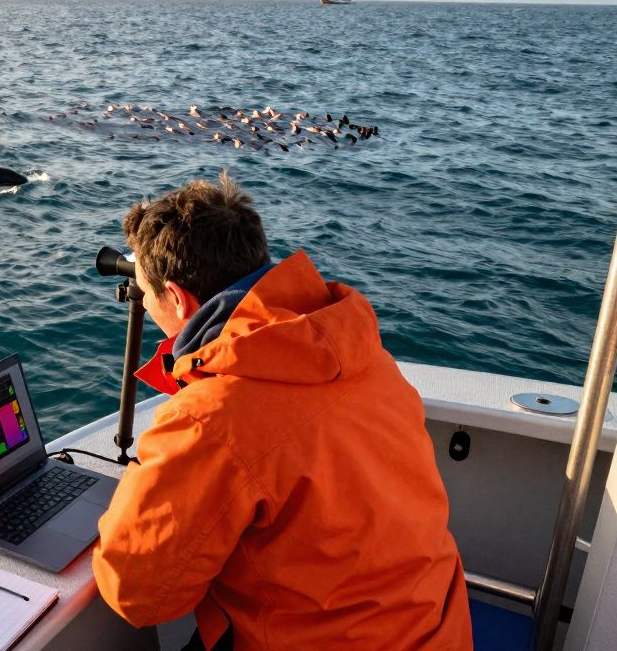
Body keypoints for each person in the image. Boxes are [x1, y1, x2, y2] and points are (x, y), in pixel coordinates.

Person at [91, 173, 472, 650]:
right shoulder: (365, 358)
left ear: (179, 298)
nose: (142, 302)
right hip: (437, 631)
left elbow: (137, 594)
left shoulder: (214, 416)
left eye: (147, 294)